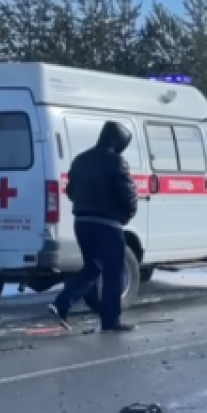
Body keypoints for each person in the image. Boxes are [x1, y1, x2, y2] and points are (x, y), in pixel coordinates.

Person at [47, 121, 138, 332]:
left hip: (83, 223)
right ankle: (110, 321)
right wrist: (126, 215)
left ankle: (61, 304)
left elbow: (70, 191)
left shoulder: (80, 160)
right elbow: (128, 195)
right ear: (117, 141)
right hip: (108, 224)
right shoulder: (117, 162)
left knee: (92, 268)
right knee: (114, 272)